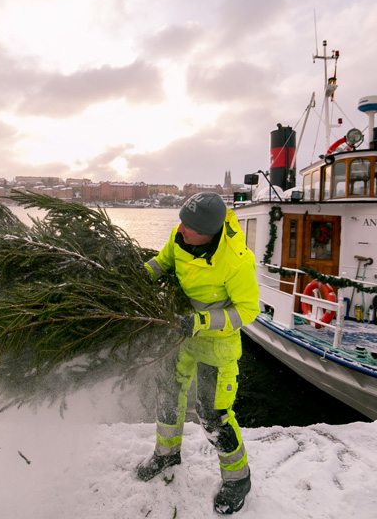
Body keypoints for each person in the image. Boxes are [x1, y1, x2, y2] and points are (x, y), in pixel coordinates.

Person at [137, 192, 260, 515]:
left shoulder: (236, 260)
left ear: (209, 232)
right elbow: (163, 262)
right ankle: (166, 455)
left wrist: (203, 321)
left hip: (215, 343)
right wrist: (138, 277)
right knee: (167, 395)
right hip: (182, 334)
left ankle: (238, 479)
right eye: (181, 221)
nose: (180, 229)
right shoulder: (180, 235)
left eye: (189, 226)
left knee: (212, 414)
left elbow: (247, 310)